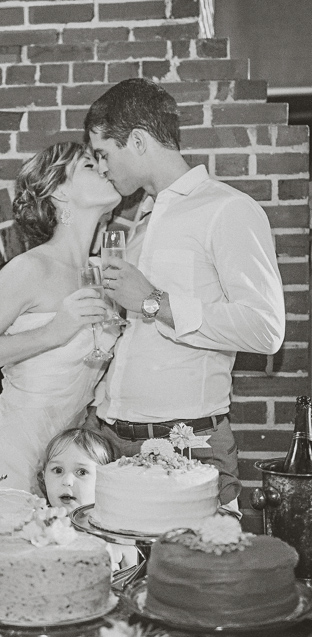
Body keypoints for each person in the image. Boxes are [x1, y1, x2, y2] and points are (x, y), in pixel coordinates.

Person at [83, 78, 285, 510]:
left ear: (137, 140)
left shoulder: (228, 210)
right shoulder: (136, 225)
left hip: (189, 446)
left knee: (196, 577)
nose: (101, 167)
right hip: (107, 442)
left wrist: (154, 302)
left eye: (104, 153)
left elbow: (266, 330)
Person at [0, 142, 122, 495]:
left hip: (64, 466)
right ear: (58, 191)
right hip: (9, 462)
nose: (103, 170)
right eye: (89, 165)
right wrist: (52, 332)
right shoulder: (31, 268)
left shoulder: (100, 272)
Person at [39, 427, 139, 571]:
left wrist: (126, 554)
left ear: (105, 481)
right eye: (58, 470)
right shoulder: (36, 523)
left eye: (81, 472)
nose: (67, 481)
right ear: (43, 476)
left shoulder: (115, 532)